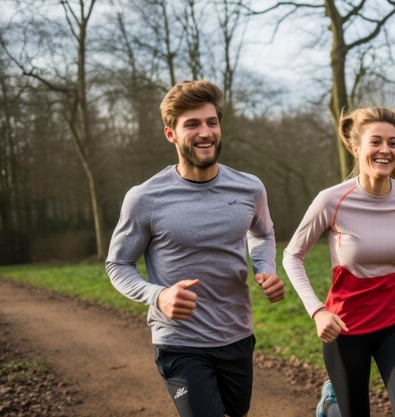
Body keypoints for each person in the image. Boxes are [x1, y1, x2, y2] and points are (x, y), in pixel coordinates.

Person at [106, 80, 285, 417]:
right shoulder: (145, 198)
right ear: (170, 134)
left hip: (236, 334)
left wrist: (265, 269)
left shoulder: (249, 188)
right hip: (179, 342)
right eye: (192, 124)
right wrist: (158, 296)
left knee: (236, 410)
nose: (205, 132)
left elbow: (262, 234)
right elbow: (117, 264)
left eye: (211, 122)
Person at [282, 106, 395, 417]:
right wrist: (317, 311)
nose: (385, 150)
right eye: (376, 142)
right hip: (345, 328)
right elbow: (292, 255)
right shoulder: (331, 200)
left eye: (393, 143)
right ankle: (331, 406)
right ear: (356, 147)